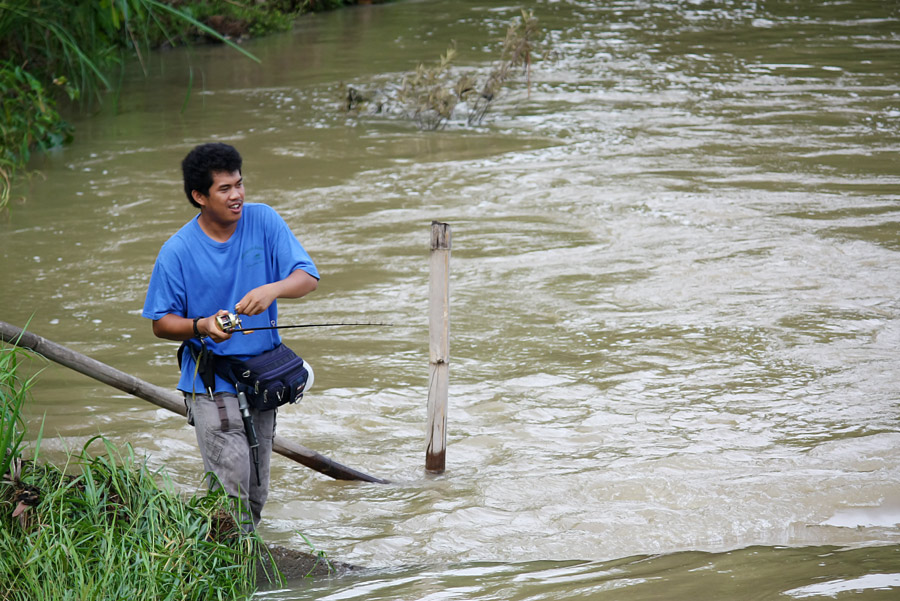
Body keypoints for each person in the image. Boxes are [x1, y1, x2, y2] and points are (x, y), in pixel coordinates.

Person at [142, 142, 319, 530]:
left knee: (257, 490)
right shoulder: (177, 251)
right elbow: (160, 323)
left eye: (239, 184)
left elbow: (307, 277)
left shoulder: (265, 220)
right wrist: (201, 325)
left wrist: (273, 289)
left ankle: (239, 562)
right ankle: (227, 570)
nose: (237, 195)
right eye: (224, 189)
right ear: (199, 196)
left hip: (263, 377)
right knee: (231, 483)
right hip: (210, 382)